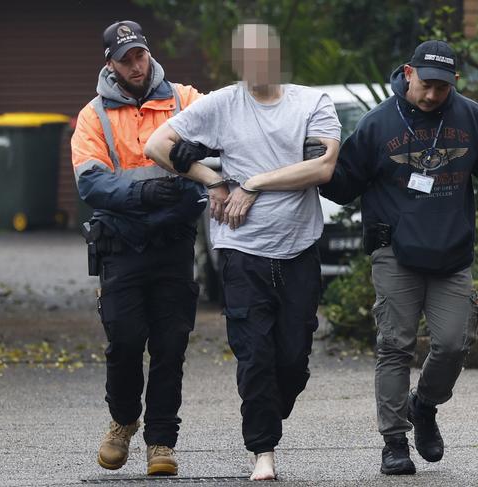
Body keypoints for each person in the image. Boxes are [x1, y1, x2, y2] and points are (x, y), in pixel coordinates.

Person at [318, 40, 478, 475]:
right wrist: (317, 161)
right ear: (408, 73)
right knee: (395, 344)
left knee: (453, 342)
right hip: (395, 250)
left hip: (451, 251)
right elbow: (341, 186)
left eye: (443, 88)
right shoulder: (378, 125)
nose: (433, 95)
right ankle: (394, 442)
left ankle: (425, 405)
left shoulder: (471, 118)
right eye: (427, 85)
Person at [144, 22, 341, 480]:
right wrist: (214, 180)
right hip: (241, 251)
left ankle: (274, 408)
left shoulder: (312, 103)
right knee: (254, 356)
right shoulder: (221, 104)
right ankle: (262, 453)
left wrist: (252, 182)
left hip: (298, 250)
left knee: (292, 360)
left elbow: (322, 167)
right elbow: (157, 145)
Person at [71, 20, 207, 476]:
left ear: (148, 54)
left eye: (140, 55)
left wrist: (179, 192)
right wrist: (144, 195)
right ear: (110, 62)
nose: (136, 65)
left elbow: (215, 150)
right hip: (122, 247)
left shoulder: (185, 100)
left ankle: (162, 442)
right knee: (125, 341)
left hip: (173, 244)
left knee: (171, 345)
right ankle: (124, 419)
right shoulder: (93, 116)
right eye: (125, 58)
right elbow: (91, 182)